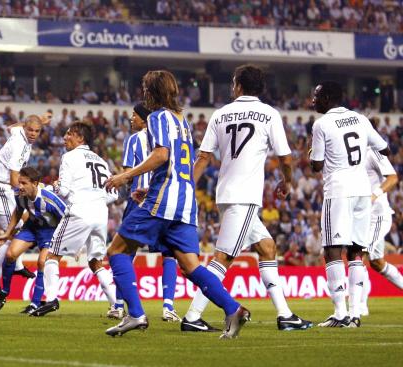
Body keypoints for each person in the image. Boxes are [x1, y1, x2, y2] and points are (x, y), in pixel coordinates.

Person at [103, 70, 249, 339]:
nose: (144, 93)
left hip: (164, 200)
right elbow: (179, 163)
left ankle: (135, 314)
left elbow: (161, 154)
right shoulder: (183, 121)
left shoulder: (158, 117)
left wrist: (126, 175)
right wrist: (149, 187)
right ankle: (233, 309)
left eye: (145, 88)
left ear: (151, 92)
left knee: (117, 251)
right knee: (190, 265)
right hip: (184, 201)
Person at [182, 65, 312, 332]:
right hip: (244, 196)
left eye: (233, 82)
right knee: (223, 257)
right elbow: (285, 157)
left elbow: (203, 157)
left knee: (267, 247)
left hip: (227, 194)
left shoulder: (220, 114)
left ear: (238, 86)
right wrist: (287, 181)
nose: (232, 87)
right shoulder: (268, 114)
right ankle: (193, 316)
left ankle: (284, 314)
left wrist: (186, 187)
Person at [309, 81, 390, 328]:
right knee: (357, 252)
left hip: (339, 190)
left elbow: (316, 165)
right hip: (362, 190)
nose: (313, 100)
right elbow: (384, 148)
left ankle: (341, 314)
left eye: (316, 96)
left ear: (327, 99)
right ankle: (354, 314)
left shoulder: (321, 124)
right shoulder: (360, 119)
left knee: (332, 249)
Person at [30, 122, 119, 317]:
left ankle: (52, 299)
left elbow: (63, 191)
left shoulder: (69, 157)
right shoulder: (102, 161)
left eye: (69, 134)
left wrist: (55, 186)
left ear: (81, 138)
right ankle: (117, 305)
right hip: (100, 215)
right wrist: (96, 196)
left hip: (80, 211)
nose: (64, 137)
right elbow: (114, 194)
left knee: (52, 255)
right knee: (96, 262)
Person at [109, 103, 181, 322]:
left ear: (143, 118)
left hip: (139, 199)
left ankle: (119, 305)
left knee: (123, 251)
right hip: (164, 198)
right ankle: (168, 307)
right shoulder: (169, 135)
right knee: (169, 253)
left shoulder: (135, 139)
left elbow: (127, 173)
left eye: (134, 116)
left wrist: (121, 183)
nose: (131, 120)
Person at [0, 113, 51, 296]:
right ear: (25, 128)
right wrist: (27, 198)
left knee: (20, 231)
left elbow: (10, 127)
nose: (34, 134)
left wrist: (36, 121)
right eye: (30, 129)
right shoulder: (20, 145)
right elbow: (15, 178)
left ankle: (15, 267)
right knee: (15, 233)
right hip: (1, 188)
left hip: (0, 188)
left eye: (37, 131)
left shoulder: (18, 133)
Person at [0, 167, 66, 313]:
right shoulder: (19, 194)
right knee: (10, 254)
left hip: (50, 231)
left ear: (35, 183)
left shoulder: (49, 199)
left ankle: (35, 303)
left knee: (41, 262)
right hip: (31, 227)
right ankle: (4, 292)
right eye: (19, 182)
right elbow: (18, 211)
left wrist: (70, 242)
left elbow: (67, 218)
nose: (20, 186)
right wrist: (8, 232)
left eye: (24, 183)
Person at [359, 139, 403, 314]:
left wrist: (373, 196)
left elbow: (393, 178)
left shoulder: (373, 152)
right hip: (361, 217)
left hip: (377, 216)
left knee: (358, 253)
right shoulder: (348, 155)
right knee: (377, 263)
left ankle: (360, 307)